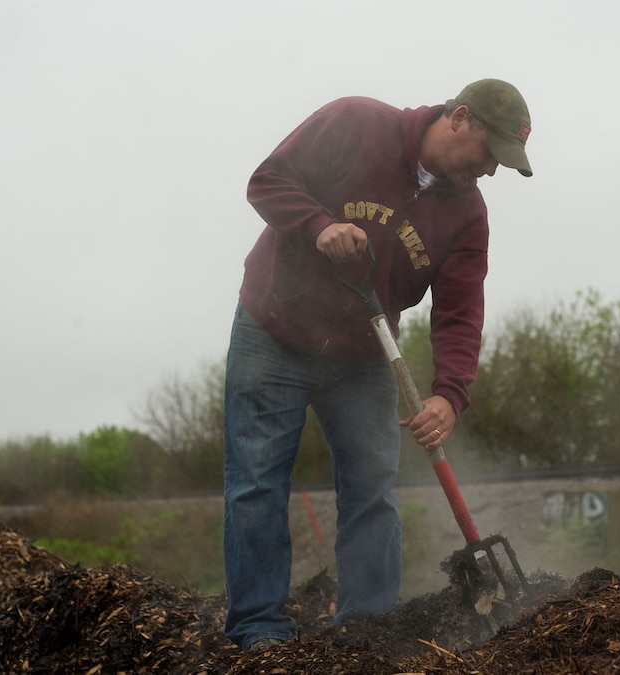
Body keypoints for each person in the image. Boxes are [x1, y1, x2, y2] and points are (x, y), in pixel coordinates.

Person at [223, 78, 533, 651]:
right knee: (257, 484)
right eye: (491, 153)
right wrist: (319, 225)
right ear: (460, 118)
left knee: (372, 488)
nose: (491, 170)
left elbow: (460, 311)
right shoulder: (356, 123)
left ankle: (368, 632)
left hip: (364, 355)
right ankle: (258, 629)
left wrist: (449, 394)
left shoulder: (468, 215)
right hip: (274, 330)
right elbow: (267, 180)